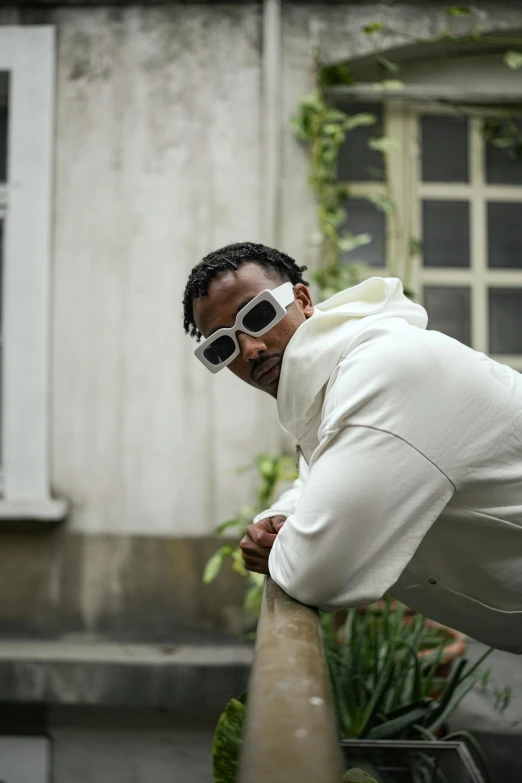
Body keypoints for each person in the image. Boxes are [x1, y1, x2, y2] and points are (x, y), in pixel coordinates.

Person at [183, 241, 522, 653]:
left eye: (257, 316)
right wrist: (281, 518)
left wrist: (280, 550)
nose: (249, 348)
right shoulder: (330, 382)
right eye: (223, 347)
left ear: (302, 299)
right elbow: (319, 471)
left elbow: (320, 574)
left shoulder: (382, 372)